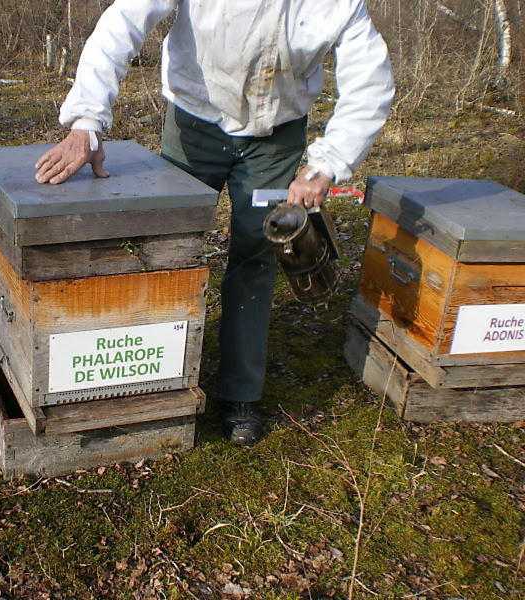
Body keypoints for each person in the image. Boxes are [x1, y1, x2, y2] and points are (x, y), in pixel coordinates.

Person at [34, 0, 394, 446]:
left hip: (275, 136)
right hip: (194, 124)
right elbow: (123, 21)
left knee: (256, 257)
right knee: (165, 250)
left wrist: (327, 165)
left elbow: (370, 81)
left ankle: (241, 394)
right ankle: (151, 376)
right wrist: (86, 121)